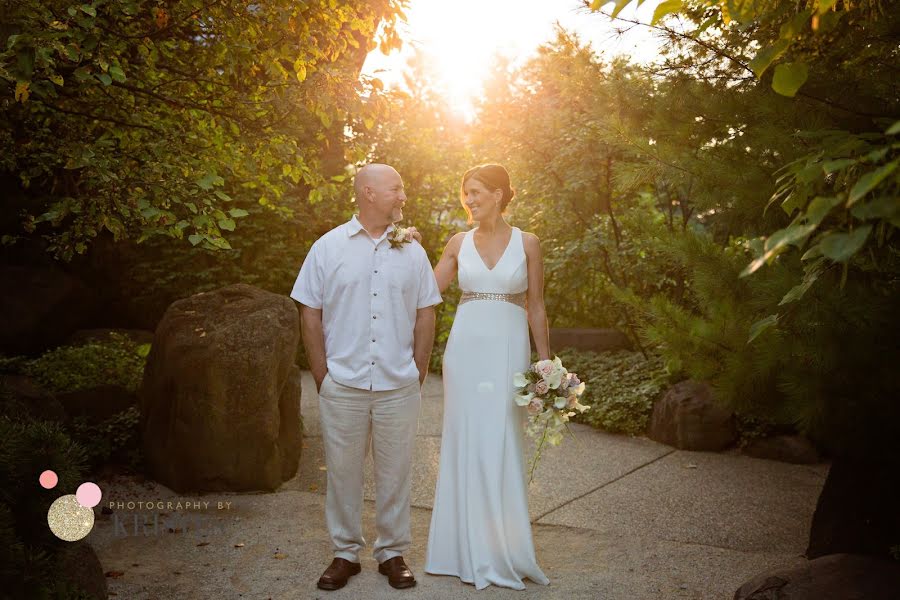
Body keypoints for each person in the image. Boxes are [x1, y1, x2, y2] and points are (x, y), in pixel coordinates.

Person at [290, 163, 442, 591]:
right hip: (344, 383)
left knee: (397, 472)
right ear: (369, 192)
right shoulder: (327, 247)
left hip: (398, 385)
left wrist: (419, 370)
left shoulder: (412, 251)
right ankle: (345, 554)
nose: (403, 196)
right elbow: (310, 312)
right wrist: (323, 375)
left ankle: (392, 552)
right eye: (397, 188)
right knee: (342, 473)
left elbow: (426, 312)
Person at [424, 164, 551, 589]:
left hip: (508, 352)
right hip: (466, 351)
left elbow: (535, 306)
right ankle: (460, 547)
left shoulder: (528, 243)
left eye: (476, 192)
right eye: (466, 193)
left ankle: (503, 548)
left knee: (501, 438)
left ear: (498, 194)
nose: (469, 200)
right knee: (466, 438)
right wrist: (399, 252)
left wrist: (545, 364)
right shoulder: (458, 242)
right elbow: (428, 289)